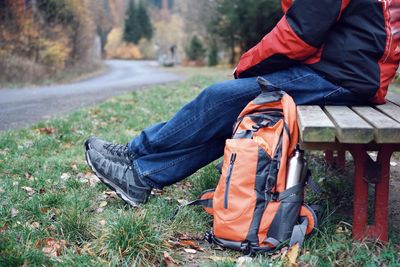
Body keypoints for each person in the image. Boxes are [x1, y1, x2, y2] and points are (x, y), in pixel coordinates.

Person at [85, 0, 400, 207]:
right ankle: (139, 167)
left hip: (343, 77)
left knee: (219, 98)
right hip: (347, 72)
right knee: (235, 110)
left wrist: (245, 67)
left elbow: (301, 33)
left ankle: (137, 162)